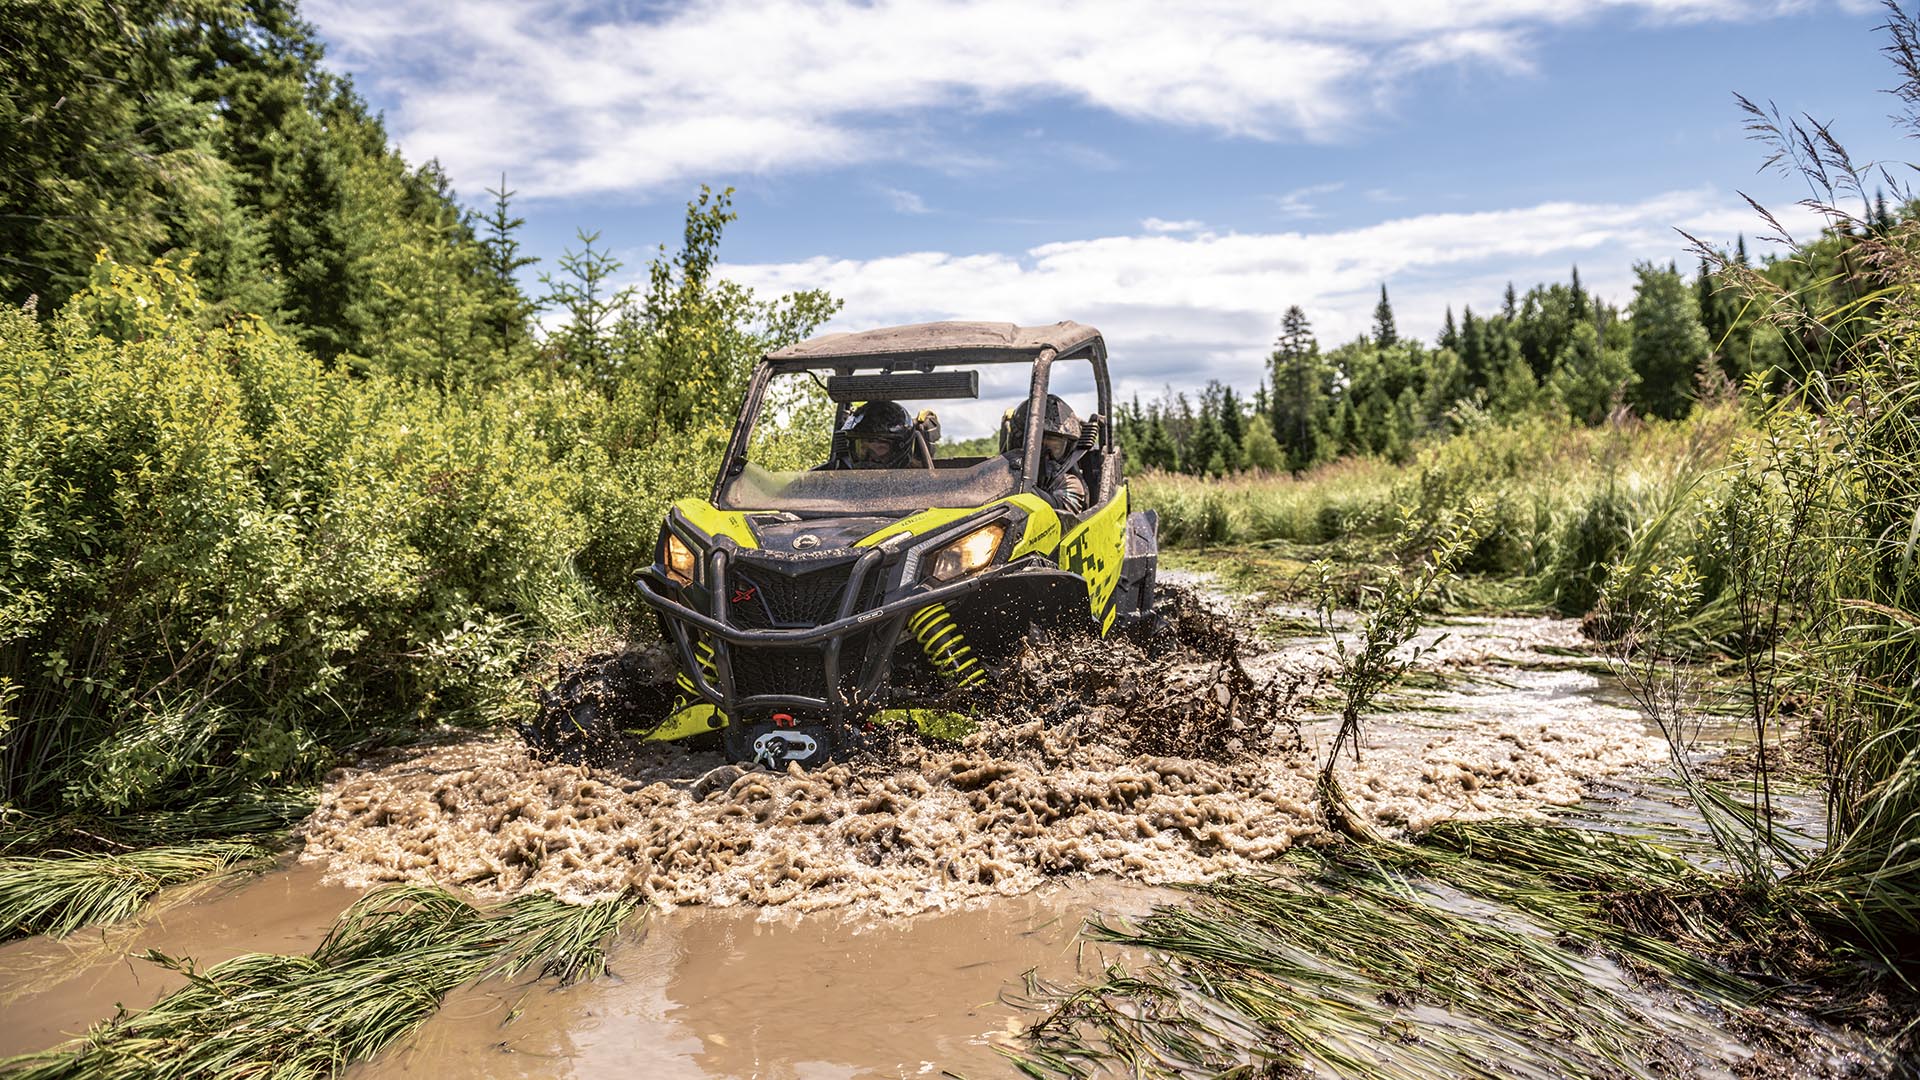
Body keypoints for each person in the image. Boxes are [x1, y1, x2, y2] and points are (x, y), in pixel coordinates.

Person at [1001, 394, 1089, 514]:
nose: (1044, 456)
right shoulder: (1000, 474)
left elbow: (1059, 510)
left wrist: (1020, 487)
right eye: (1037, 447)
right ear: (1017, 442)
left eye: (1055, 448)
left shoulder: (1069, 484)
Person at [828, 400, 915, 469]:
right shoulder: (840, 482)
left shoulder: (920, 483)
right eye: (862, 447)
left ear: (899, 448)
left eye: (879, 448)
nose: (869, 458)